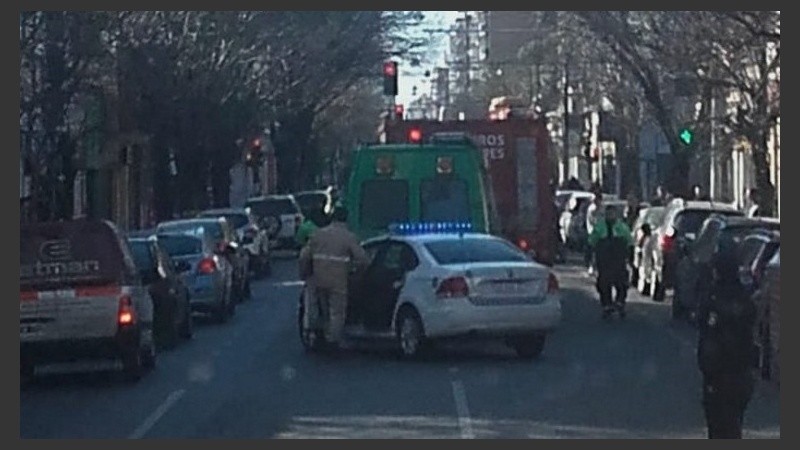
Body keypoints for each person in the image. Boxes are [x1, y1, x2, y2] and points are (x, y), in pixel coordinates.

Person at [696, 234, 759, 439]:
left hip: (720, 372)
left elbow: (704, 325)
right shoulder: (744, 297)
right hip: (740, 372)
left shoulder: (714, 297)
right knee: (733, 423)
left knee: (718, 424)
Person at [298, 205, 369, 352]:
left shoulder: (318, 234)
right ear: (346, 219)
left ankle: (320, 334)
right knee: (337, 312)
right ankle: (333, 342)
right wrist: (357, 271)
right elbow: (362, 259)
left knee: (323, 309)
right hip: (338, 281)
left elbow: (304, 256)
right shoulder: (348, 237)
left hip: (319, 279)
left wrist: (305, 273)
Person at [588, 205, 634, 319]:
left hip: (618, 260)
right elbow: (591, 242)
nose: (610, 216)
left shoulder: (622, 227)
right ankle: (606, 304)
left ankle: (620, 302)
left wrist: (630, 258)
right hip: (604, 260)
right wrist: (591, 259)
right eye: (608, 214)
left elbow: (629, 242)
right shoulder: (599, 227)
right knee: (604, 283)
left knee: (622, 282)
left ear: (616, 214)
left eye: (612, 214)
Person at [584, 193, 605, 274]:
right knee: (593, 250)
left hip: (601, 232)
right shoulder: (592, 208)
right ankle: (591, 265)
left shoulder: (602, 208)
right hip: (592, 232)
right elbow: (592, 220)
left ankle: (598, 266)